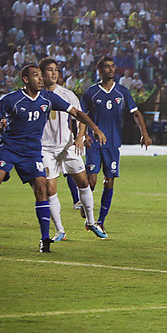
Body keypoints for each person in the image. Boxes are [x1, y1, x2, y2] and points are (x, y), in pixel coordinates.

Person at [0, 64, 106, 252]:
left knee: (41, 189)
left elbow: (76, 113)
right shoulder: (11, 99)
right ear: (26, 80)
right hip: (9, 148)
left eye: (40, 76)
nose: (40, 79)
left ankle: (45, 239)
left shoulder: (49, 98)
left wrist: (95, 128)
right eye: (36, 75)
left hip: (32, 152)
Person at [80, 56, 152, 234]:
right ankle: (86, 206)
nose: (111, 70)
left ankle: (101, 221)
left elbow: (136, 113)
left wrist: (144, 133)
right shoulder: (91, 93)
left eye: (113, 67)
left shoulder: (122, 92)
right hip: (94, 143)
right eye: (107, 67)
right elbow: (81, 116)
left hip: (113, 143)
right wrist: (81, 135)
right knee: (91, 180)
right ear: (99, 71)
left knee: (109, 180)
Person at [38, 57, 107, 241]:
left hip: (67, 146)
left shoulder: (67, 94)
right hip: (45, 149)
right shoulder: (36, 96)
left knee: (84, 183)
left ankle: (91, 222)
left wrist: (80, 137)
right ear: (42, 74)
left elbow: (80, 117)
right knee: (50, 190)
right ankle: (60, 230)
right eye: (50, 70)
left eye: (56, 70)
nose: (54, 73)